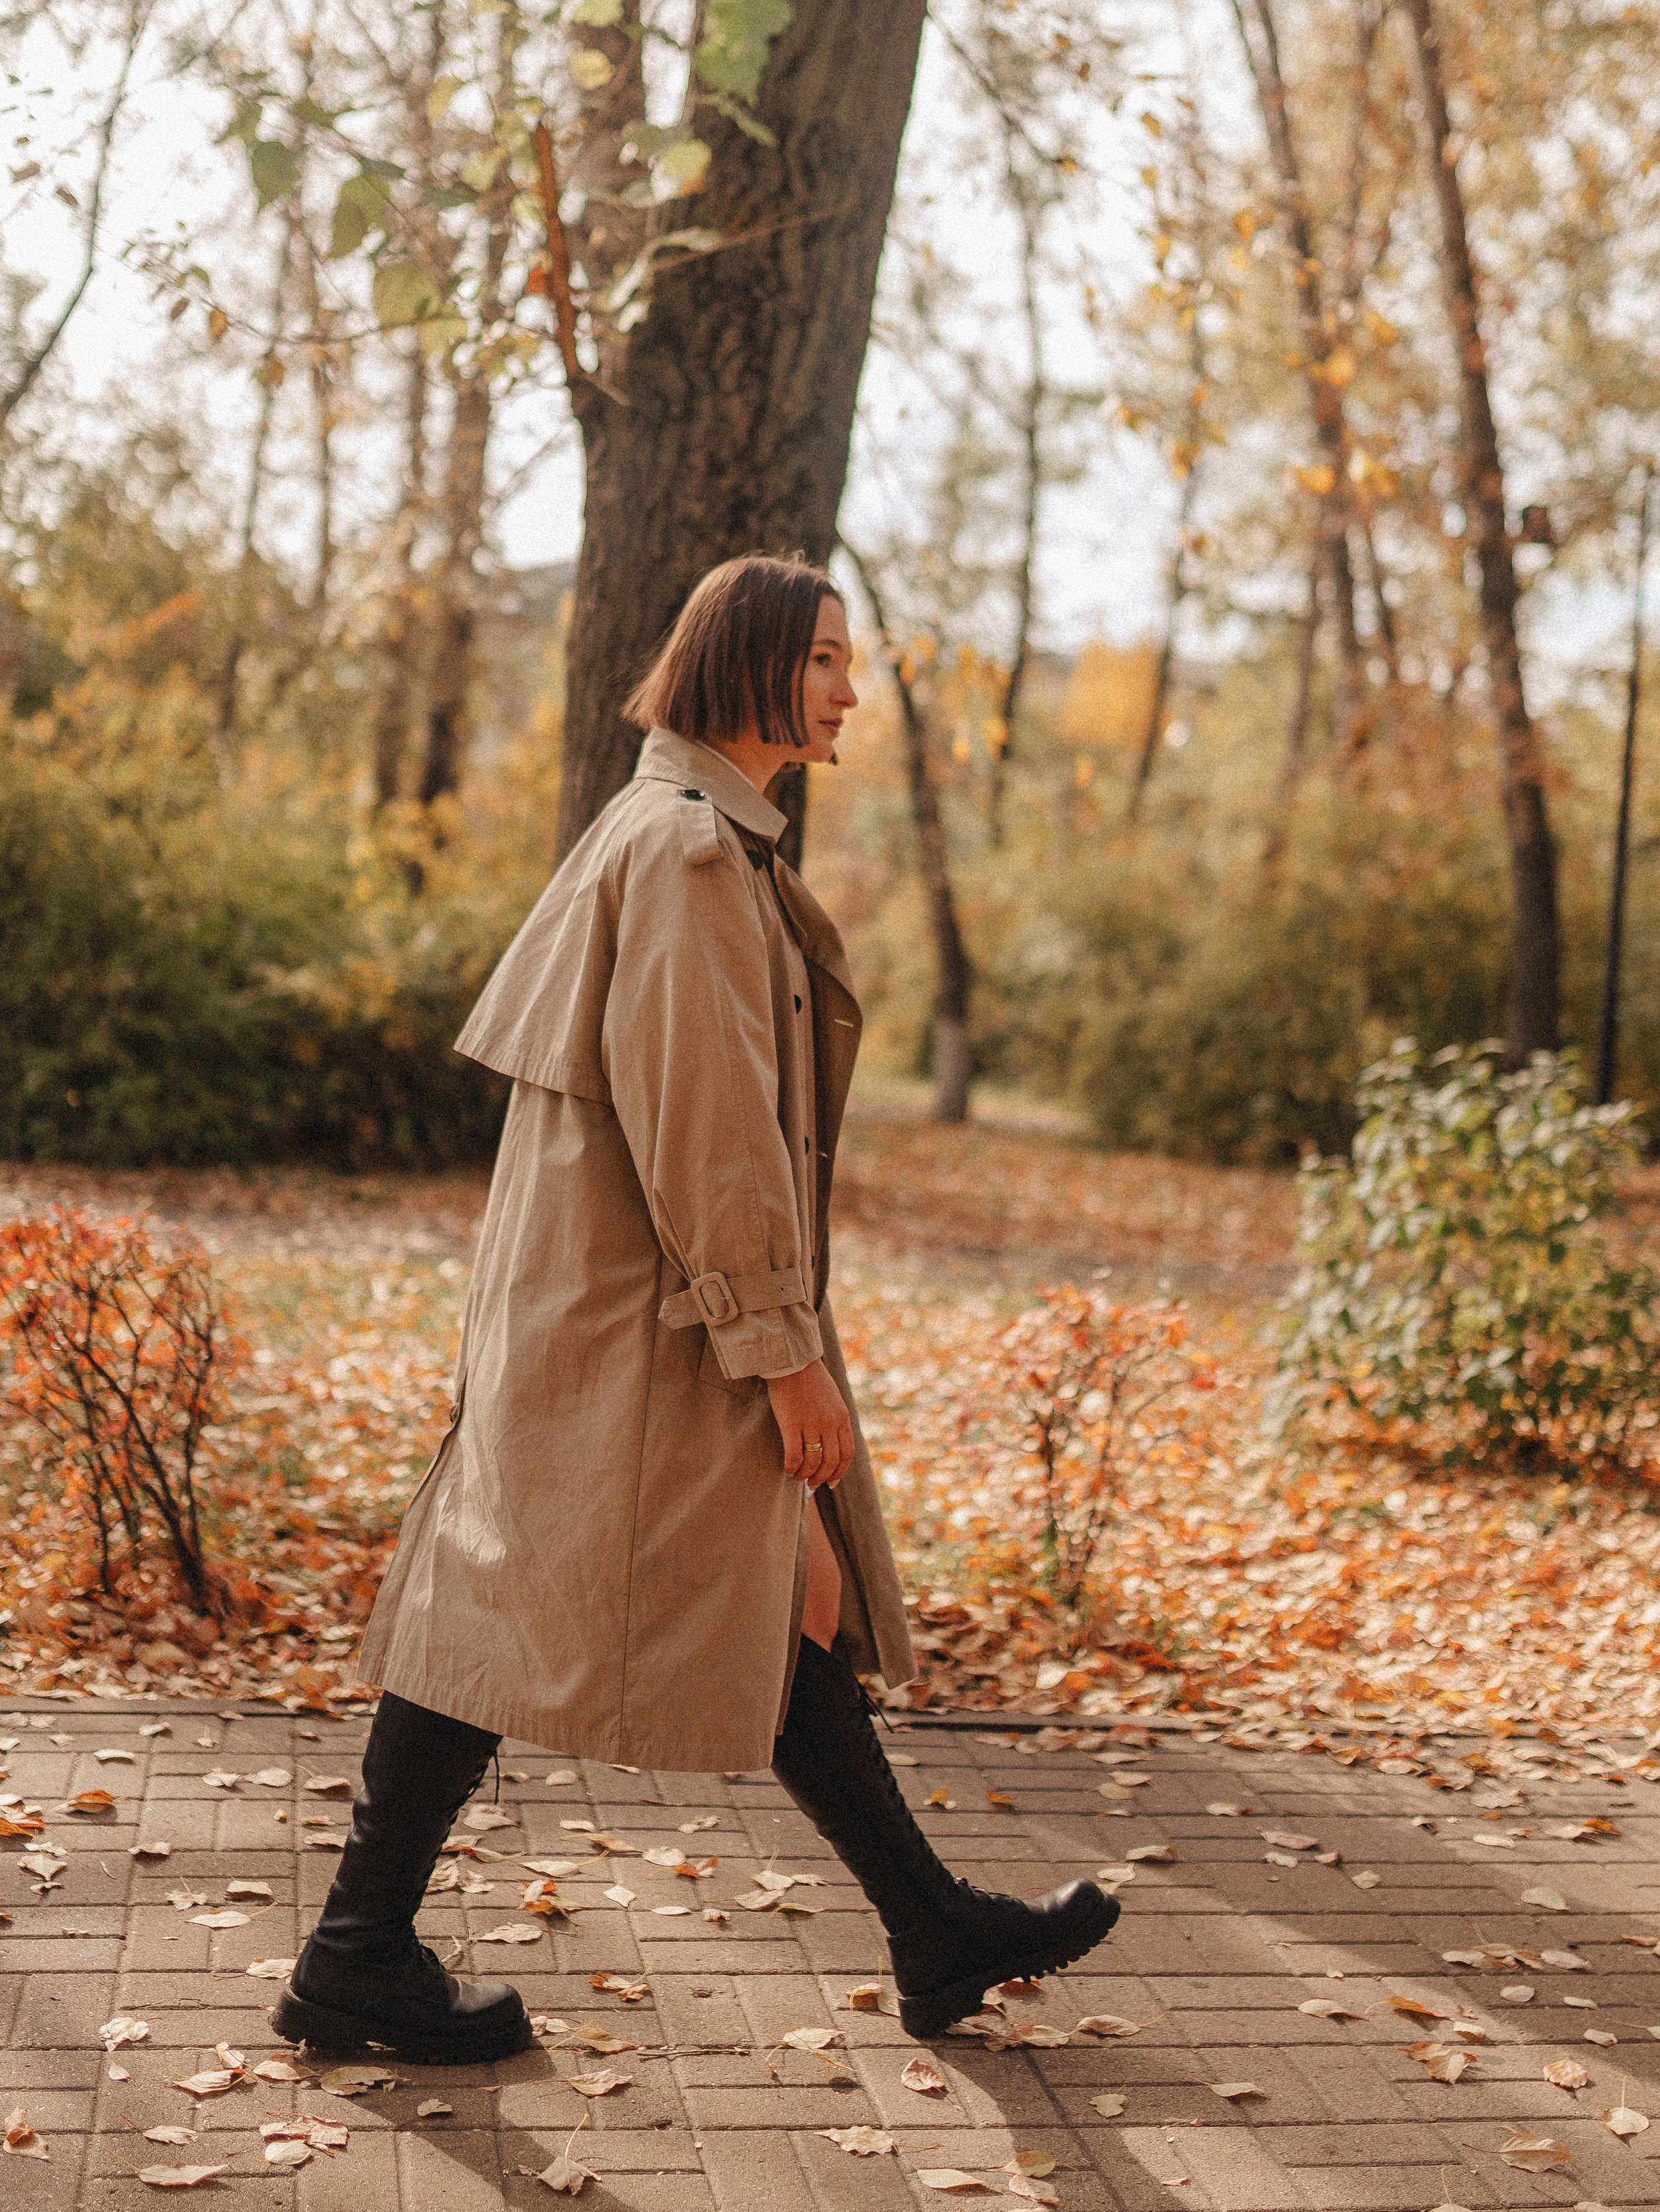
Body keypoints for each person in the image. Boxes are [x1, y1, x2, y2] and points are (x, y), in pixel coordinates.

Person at [274, 554, 1117, 2067]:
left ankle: (925, 1927)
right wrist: (782, 1356)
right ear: (750, 665)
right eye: (827, 660)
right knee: (535, 1605)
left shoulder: (689, 836)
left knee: (769, 1594)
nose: (850, 689)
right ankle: (354, 1951)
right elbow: (709, 1129)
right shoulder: (681, 853)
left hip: (621, 1318)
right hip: (647, 1330)